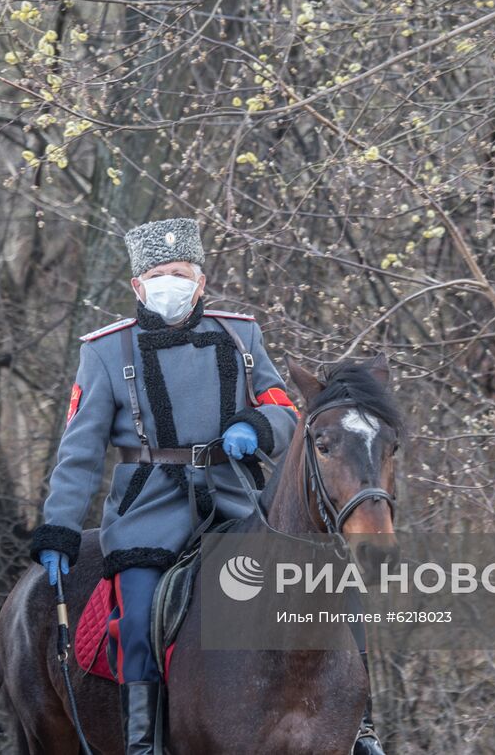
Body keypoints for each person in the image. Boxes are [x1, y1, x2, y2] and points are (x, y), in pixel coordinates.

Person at [30, 218, 386, 754]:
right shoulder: (105, 351)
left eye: (181, 272)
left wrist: (256, 426)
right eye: (159, 273)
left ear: (201, 282)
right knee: (138, 609)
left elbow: (286, 411)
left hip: (235, 496)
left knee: (332, 585)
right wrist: (59, 527)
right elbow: (79, 453)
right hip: (148, 504)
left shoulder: (240, 335)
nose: (170, 281)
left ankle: (359, 728)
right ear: (137, 285)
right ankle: (143, 742)